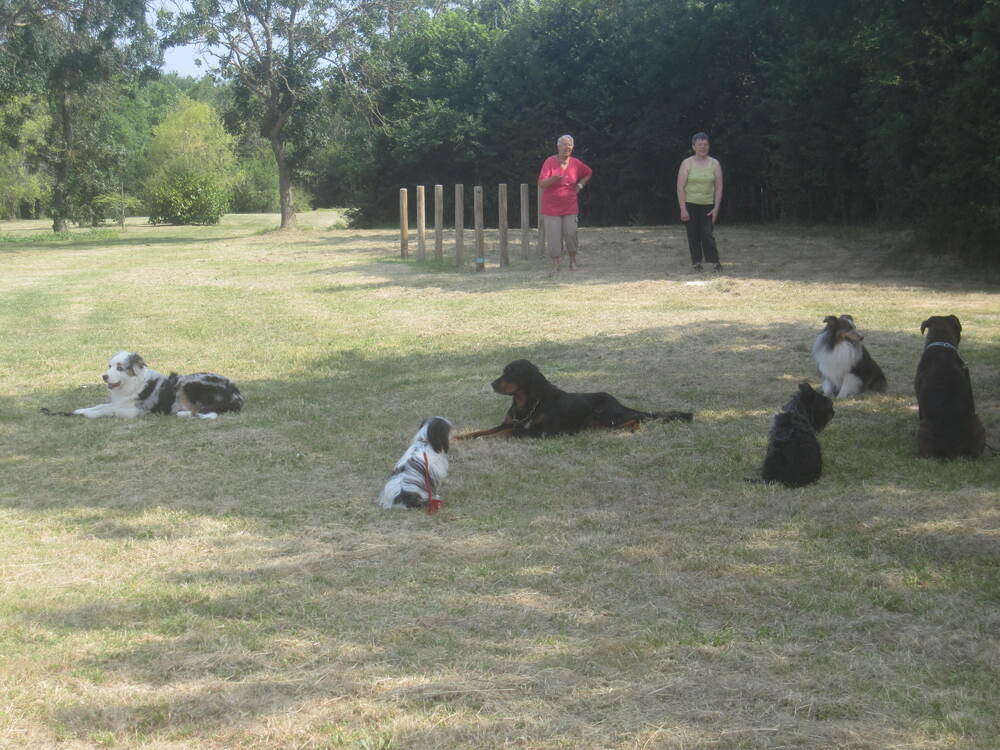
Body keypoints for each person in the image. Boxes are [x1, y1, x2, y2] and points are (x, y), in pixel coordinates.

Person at [538, 134, 592, 274]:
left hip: (570, 206)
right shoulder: (549, 161)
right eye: (564, 144)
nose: (566, 147)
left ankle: (573, 263)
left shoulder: (576, 163)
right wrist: (553, 179)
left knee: (571, 234)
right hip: (551, 208)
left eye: (569, 145)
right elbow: (541, 183)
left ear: (572, 147)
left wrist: (579, 186)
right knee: (554, 236)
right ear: (558, 146)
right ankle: (556, 265)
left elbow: (588, 173)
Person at [676, 132, 724, 272]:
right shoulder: (687, 163)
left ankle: (715, 262)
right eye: (699, 145)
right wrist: (683, 209)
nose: (703, 147)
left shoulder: (715, 164)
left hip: (708, 205)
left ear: (709, 146)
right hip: (690, 204)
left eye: (705, 144)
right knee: (693, 234)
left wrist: (716, 208)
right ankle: (696, 263)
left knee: (707, 234)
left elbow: (719, 187)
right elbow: (680, 187)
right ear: (694, 146)